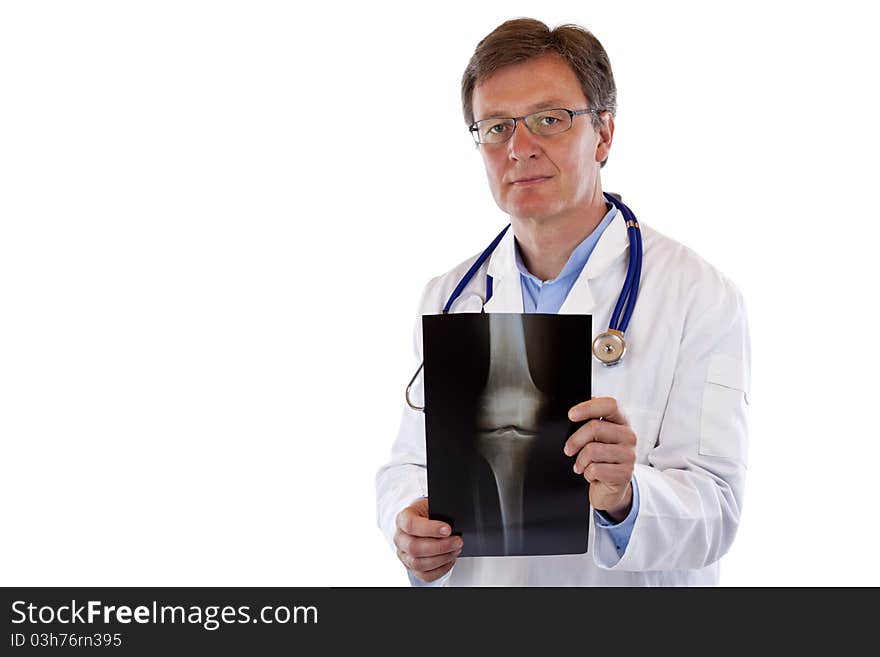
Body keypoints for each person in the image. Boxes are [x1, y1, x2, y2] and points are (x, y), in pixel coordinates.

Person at [375, 18, 751, 586]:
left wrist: (626, 497)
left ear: (603, 135)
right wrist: (405, 525)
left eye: (549, 120)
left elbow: (718, 509)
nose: (519, 148)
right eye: (496, 127)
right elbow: (409, 464)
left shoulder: (697, 294)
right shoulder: (451, 296)